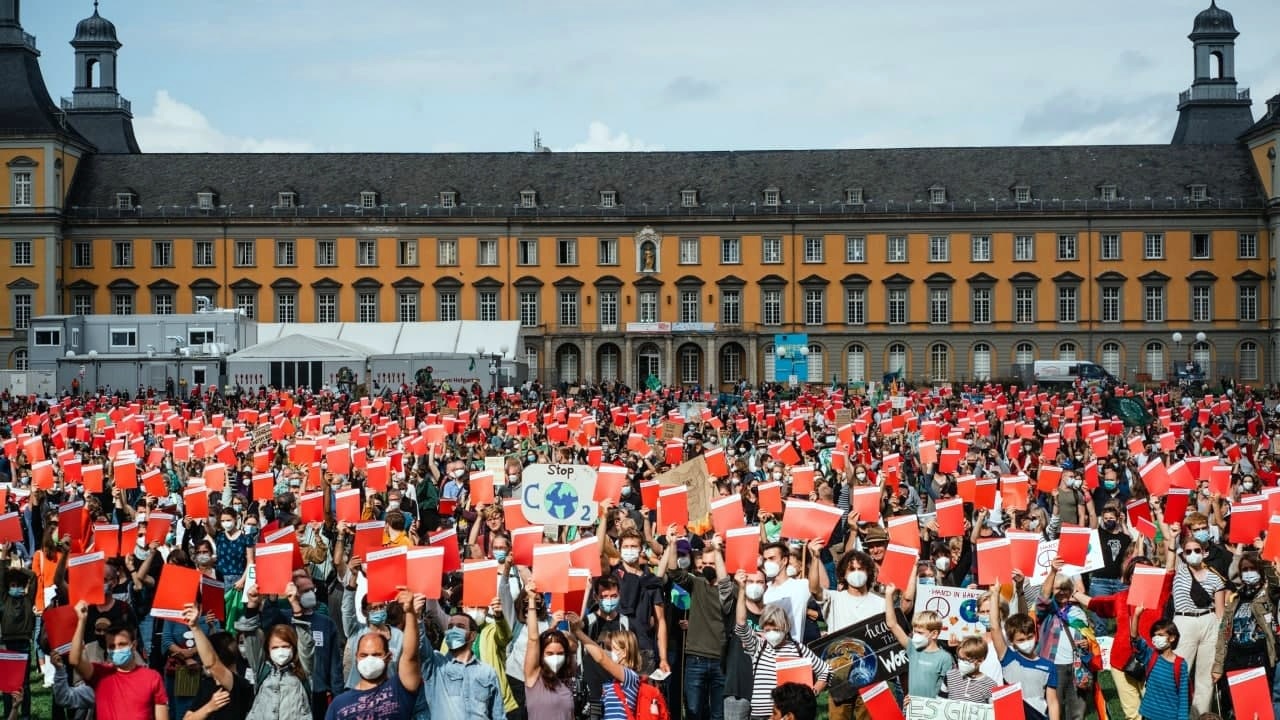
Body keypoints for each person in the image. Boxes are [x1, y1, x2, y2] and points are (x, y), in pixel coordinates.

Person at [733, 574, 830, 720]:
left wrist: (813, 691)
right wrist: (741, 590)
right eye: (767, 629)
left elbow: (826, 671)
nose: (771, 633)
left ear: (784, 627)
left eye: (775, 629)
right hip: (758, 715)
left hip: (786, 715)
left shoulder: (798, 649)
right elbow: (741, 625)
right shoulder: (759, 646)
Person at [325, 589, 421, 720]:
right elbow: (347, 612)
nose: (370, 659)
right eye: (364, 655)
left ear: (388, 657)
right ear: (356, 657)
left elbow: (410, 656)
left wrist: (410, 613)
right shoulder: (339, 705)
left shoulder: (400, 691)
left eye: (376, 655)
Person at [69, 600, 169, 720]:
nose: (117, 649)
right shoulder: (100, 675)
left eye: (122, 644)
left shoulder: (152, 678)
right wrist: (81, 621)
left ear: (134, 645)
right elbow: (75, 660)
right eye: (112, 646)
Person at [1211, 552, 1278, 717]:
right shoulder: (1235, 598)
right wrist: (1218, 666)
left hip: (1259, 658)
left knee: (1261, 709)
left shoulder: (1268, 594)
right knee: (1239, 708)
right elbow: (1223, 634)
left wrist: (1266, 558)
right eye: (1245, 569)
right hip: (1235, 659)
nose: (1249, 572)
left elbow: (1276, 583)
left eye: (1252, 568)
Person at [416, 596, 506, 719]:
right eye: (450, 627)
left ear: (472, 636)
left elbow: (498, 715)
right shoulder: (436, 665)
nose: (454, 630)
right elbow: (419, 642)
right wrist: (415, 616)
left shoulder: (487, 672)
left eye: (460, 627)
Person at [1169, 524, 1226, 716]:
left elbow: (1220, 612)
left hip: (1209, 622)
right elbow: (1169, 560)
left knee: (1205, 679)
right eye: (1188, 551)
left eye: (1197, 550)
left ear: (1203, 552)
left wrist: (1219, 636)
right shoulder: (1180, 571)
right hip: (1184, 623)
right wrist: (1173, 537)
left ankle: (1201, 716)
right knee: (1178, 673)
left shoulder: (1215, 578)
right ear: (1183, 554)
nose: (1193, 553)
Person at [234, 584, 315, 720]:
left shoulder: (304, 670)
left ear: (293, 648)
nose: (280, 651)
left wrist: (295, 604)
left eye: (285, 646)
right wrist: (252, 606)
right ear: (268, 650)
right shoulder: (262, 669)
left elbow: (306, 642)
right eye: (275, 648)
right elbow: (251, 637)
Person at [989, 583, 1057, 720]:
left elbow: (1052, 701)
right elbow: (995, 627)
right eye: (1021, 640)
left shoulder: (1048, 666)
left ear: (1035, 635)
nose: (1026, 642)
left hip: (1038, 716)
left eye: (1029, 637)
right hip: (1011, 715)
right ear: (1012, 641)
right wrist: (994, 594)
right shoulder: (1008, 657)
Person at [179, 603, 254, 720]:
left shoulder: (240, 685)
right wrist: (209, 707)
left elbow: (212, 663)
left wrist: (195, 627)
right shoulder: (207, 684)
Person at [883, 584, 951, 698]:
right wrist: (888, 594)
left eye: (920, 633)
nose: (915, 636)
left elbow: (948, 690)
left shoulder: (944, 658)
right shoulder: (913, 648)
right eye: (915, 631)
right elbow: (892, 624)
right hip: (912, 709)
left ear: (934, 634)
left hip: (933, 710)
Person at [521, 585, 575, 720]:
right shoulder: (534, 676)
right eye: (549, 653)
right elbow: (533, 639)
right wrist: (532, 601)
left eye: (560, 653)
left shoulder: (566, 681)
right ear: (541, 655)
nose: (555, 657)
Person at [1131, 607, 1190, 720]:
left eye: (1161, 635)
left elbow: (1183, 696)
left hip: (1170, 716)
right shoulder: (1150, 655)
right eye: (1154, 635)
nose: (1156, 638)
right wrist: (1137, 616)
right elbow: (1135, 638)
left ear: (1172, 638)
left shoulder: (1180, 664)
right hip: (1148, 714)